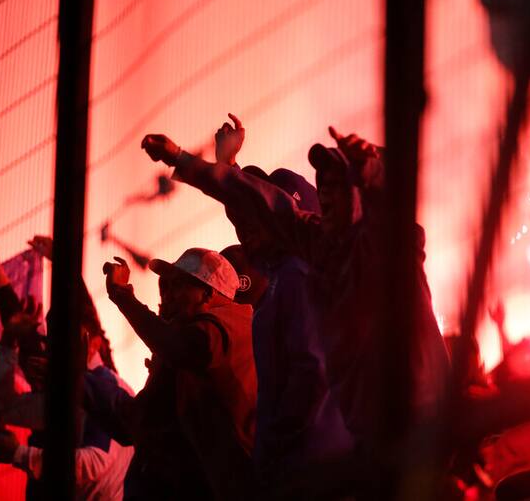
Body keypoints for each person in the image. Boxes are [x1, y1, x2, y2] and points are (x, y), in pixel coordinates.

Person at [141, 123, 449, 459]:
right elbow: (257, 203)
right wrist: (183, 159)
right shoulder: (319, 247)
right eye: (324, 186)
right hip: (367, 445)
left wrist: (372, 173)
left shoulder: (390, 250)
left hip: (417, 432)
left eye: (339, 186)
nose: (328, 194)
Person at [214, 116, 355, 498]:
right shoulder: (280, 271)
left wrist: (274, 444)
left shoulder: (298, 274)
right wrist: (227, 169)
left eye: (266, 212)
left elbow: (313, 370)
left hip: (309, 466)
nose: (250, 222)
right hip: (302, 462)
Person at [0, 238, 134, 501]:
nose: (51, 347)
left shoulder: (107, 389)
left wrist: (19, 454)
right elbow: (4, 405)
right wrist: (8, 339)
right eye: (53, 337)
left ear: (91, 345)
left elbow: (94, 463)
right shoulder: (61, 387)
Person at [90, 248, 257, 500]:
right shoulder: (235, 324)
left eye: (178, 287)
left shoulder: (219, 328)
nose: (169, 297)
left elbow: (179, 349)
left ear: (208, 293)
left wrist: (123, 296)